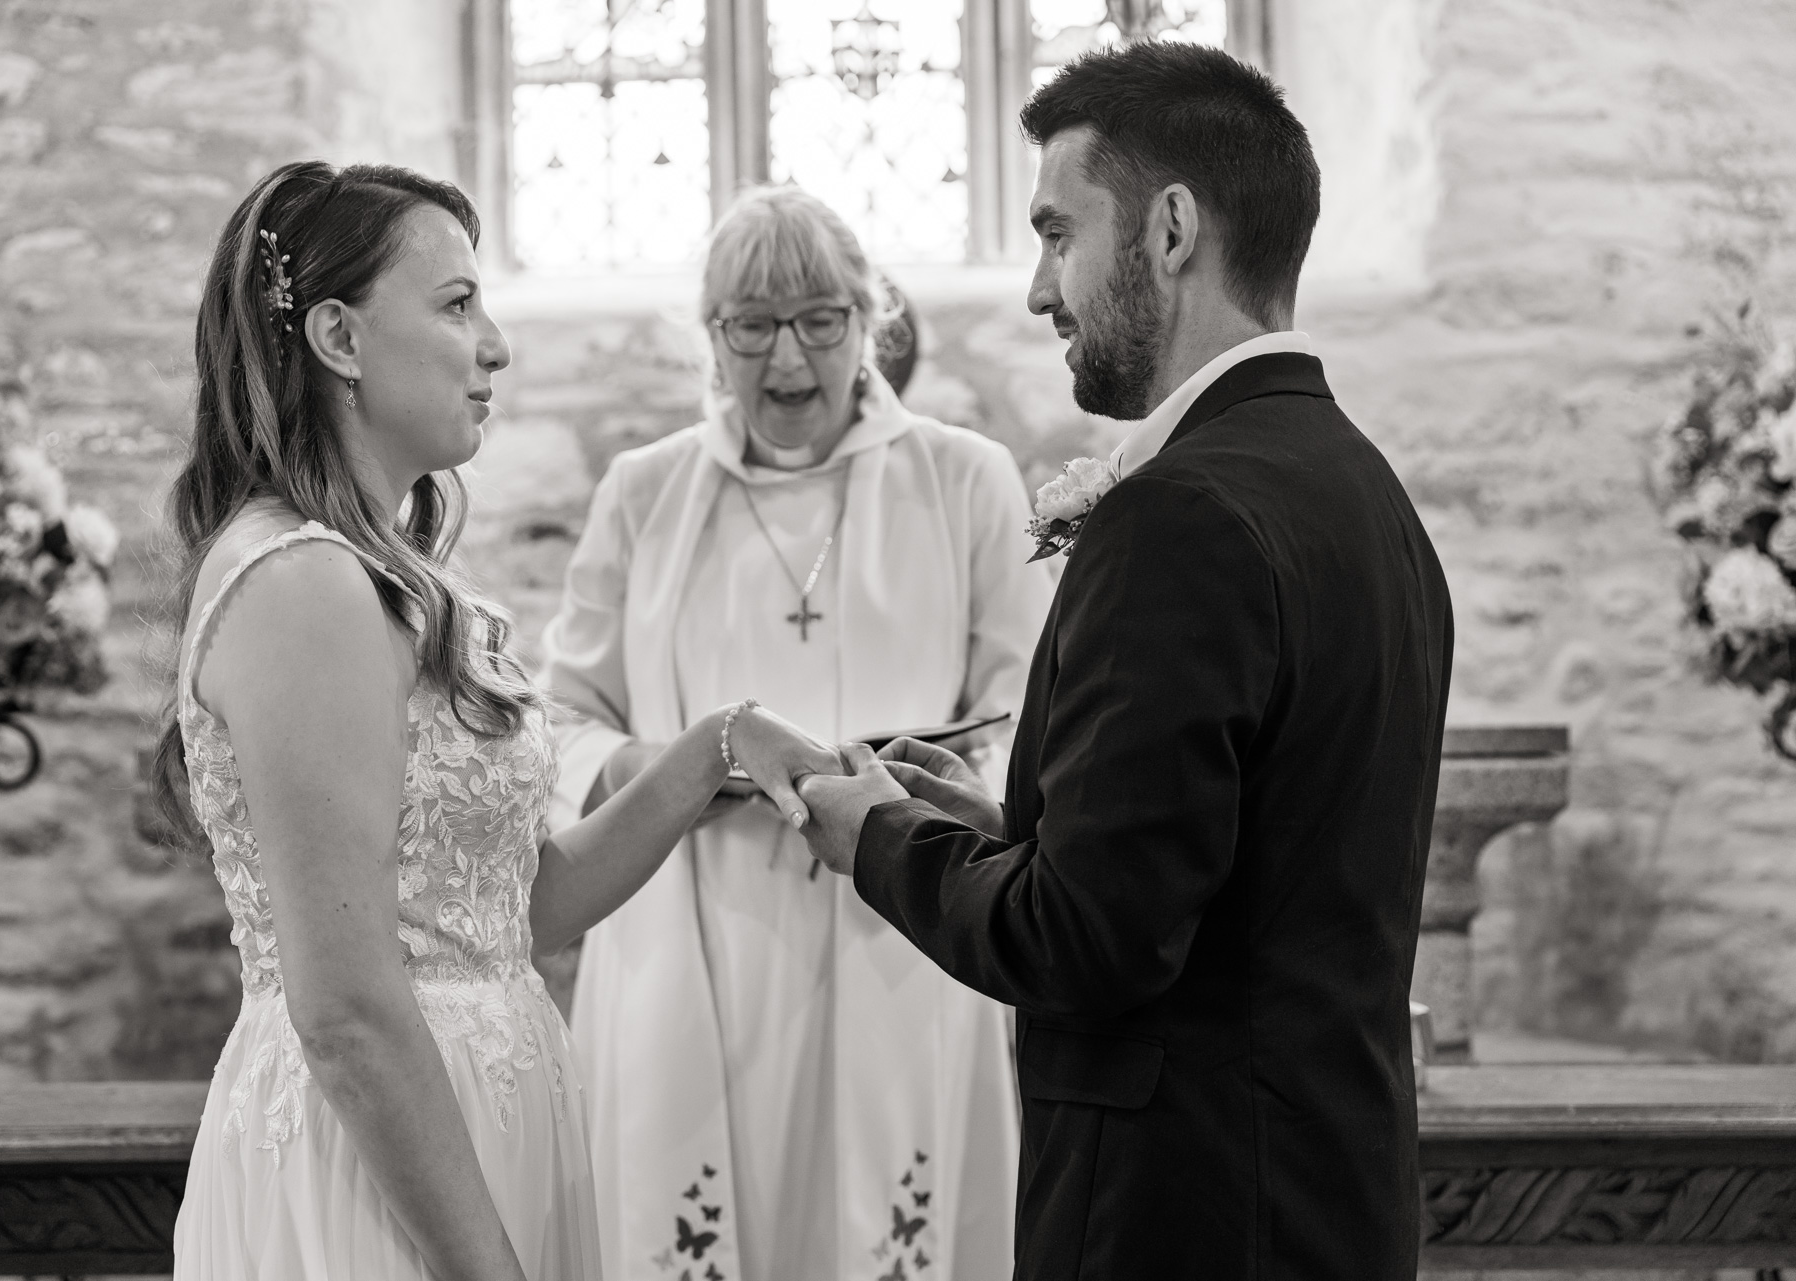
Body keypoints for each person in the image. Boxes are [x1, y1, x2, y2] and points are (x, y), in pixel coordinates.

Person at [798, 42, 1455, 1281]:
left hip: (1181, 1212)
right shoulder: (1362, 492)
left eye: (1058, 234)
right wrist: (1001, 835)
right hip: (1327, 1201)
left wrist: (876, 840)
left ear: (1168, 230)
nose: (1042, 291)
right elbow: (1230, 877)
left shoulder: (1182, 516)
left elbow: (1088, 948)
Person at [154, 160, 840, 1281]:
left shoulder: (391, 576)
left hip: (483, 1127)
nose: (497, 345)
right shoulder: (301, 584)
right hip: (376, 1172)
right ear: (337, 336)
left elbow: (514, 911)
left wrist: (716, 743)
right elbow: (348, 1012)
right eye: (458, 303)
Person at [537, 185, 1055, 1281]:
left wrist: (935, 782)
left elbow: (1026, 715)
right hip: (690, 926)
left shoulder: (964, 481)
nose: (788, 358)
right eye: (751, 326)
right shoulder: (645, 494)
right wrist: (683, 771)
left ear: (873, 324)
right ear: (711, 339)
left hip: (900, 921)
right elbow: (561, 723)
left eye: (822, 320)